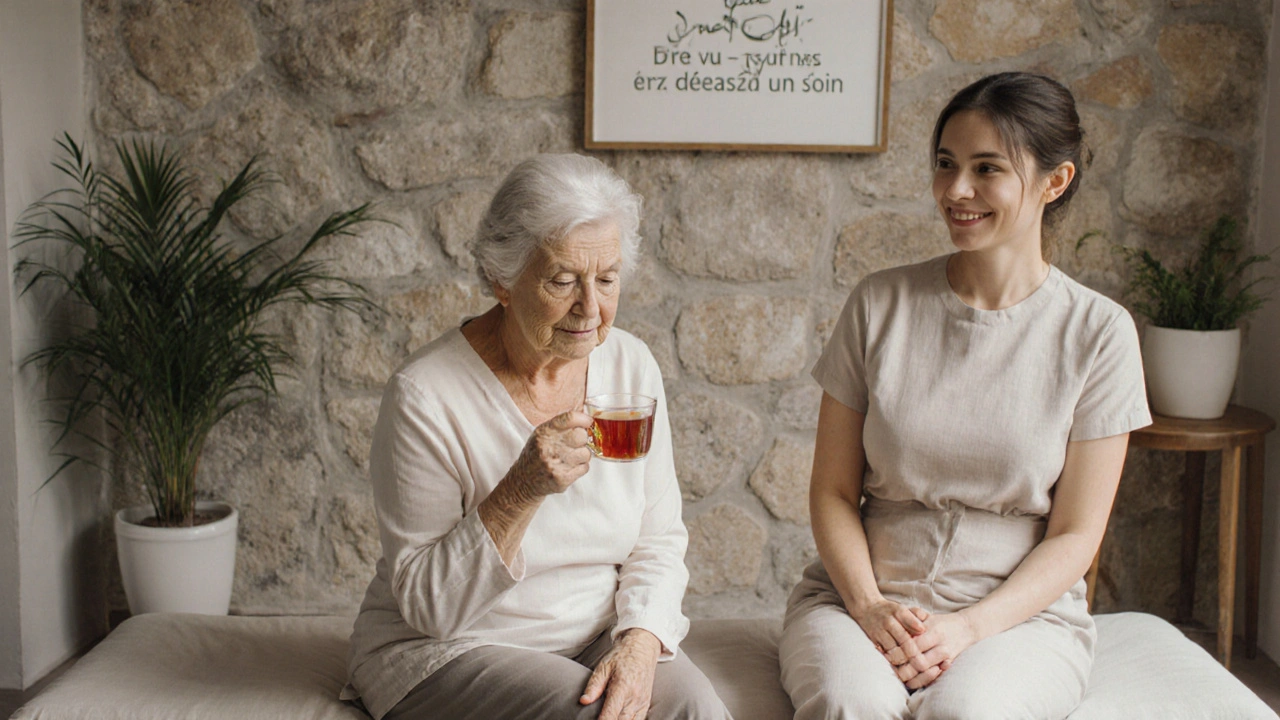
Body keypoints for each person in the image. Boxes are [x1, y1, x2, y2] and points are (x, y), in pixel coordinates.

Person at [778, 72, 1152, 719]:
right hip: (863, 600)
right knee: (850, 703)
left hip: (1018, 617)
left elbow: (1076, 533)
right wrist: (870, 607)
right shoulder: (879, 304)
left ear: (1053, 182)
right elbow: (834, 491)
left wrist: (969, 628)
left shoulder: (1098, 332)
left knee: (964, 714)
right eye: (946, 165)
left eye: (987, 169)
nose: (956, 191)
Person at [341, 154, 730, 720]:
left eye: (607, 279)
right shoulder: (425, 396)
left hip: (591, 635)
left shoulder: (630, 368)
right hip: (451, 647)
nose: (591, 310)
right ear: (502, 280)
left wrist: (641, 640)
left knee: (696, 708)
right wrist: (520, 489)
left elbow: (659, 538)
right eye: (563, 280)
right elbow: (430, 607)